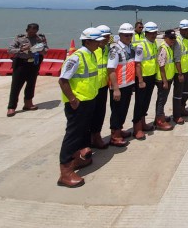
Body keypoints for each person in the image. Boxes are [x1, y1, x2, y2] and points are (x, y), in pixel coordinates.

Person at [57, 27, 104, 188]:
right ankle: (65, 172)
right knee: (73, 136)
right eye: (97, 41)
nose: (99, 44)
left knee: (83, 132)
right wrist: (72, 99)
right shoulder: (76, 57)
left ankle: (77, 160)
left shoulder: (90, 55)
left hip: (89, 100)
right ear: (88, 41)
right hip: (77, 103)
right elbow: (63, 80)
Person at [7, 23, 48, 116]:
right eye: (30, 31)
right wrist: (21, 49)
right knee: (16, 86)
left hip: (34, 63)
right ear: (27, 30)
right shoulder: (19, 38)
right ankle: (11, 107)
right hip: (21, 63)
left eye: (35, 31)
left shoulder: (40, 38)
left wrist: (40, 50)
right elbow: (9, 49)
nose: (32, 33)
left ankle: (28, 103)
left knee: (31, 84)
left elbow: (46, 50)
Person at [107, 23, 136, 147]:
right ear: (120, 35)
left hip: (128, 85)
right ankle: (115, 135)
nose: (128, 37)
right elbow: (111, 70)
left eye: (130, 35)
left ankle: (119, 129)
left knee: (123, 110)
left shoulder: (130, 47)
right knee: (117, 111)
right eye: (126, 35)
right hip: (119, 86)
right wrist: (116, 89)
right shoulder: (115, 49)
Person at [131, 22, 159, 139]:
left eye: (155, 33)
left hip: (151, 76)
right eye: (151, 33)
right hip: (143, 78)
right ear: (146, 33)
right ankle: (137, 127)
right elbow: (137, 64)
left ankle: (143, 122)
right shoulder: (141, 45)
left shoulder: (154, 43)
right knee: (139, 102)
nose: (153, 35)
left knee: (146, 101)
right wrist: (141, 80)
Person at [90, 24, 111, 149]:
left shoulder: (107, 49)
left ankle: (96, 136)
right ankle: (89, 138)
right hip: (91, 88)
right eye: (103, 37)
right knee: (90, 114)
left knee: (100, 112)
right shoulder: (92, 50)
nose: (105, 39)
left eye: (108, 36)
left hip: (103, 86)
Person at [154, 30, 176, 131]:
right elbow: (161, 66)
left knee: (163, 99)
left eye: (174, 38)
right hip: (163, 80)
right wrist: (165, 81)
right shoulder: (163, 48)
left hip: (168, 78)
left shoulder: (169, 47)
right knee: (161, 100)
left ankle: (159, 116)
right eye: (171, 38)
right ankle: (159, 121)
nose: (173, 40)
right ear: (165, 38)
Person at [173, 19, 188, 124]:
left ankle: (182, 108)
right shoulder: (178, 41)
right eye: (184, 30)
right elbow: (177, 59)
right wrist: (180, 73)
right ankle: (176, 115)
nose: (186, 32)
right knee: (178, 94)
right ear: (180, 29)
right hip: (179, 72)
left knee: (186, 92)